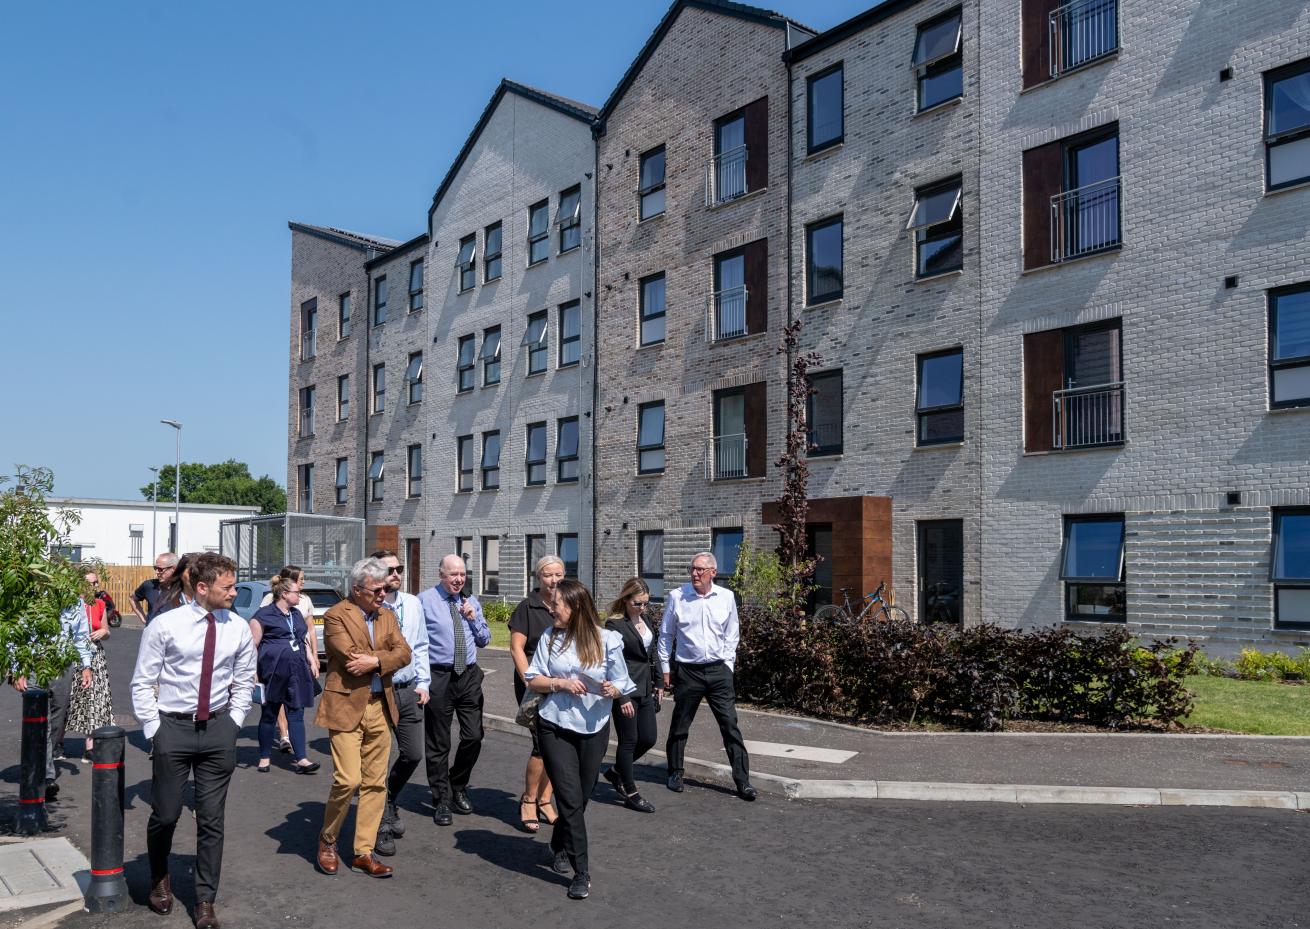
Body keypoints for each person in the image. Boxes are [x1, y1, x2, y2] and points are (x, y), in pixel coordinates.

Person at [131, 552, 255, 929]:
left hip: (218, 731)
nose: (235, 592)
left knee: (212, 819)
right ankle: (158, 877)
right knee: (166, 814)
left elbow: (245, 679)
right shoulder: (166, 625)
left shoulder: (237, 628)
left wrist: (233, 722)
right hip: (173, 729)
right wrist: (155, 729)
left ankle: (205, 901)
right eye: (228, 586)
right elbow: (142, 682)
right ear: (202, 588)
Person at [524, 579, 635, 900]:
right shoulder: (549, 637)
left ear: (574, 608)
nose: (551, 608)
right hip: (554, 726)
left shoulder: (607, 640)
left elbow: (621, 679)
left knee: (581, 798)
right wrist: (560, 683)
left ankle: (559, 843)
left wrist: (615, 690)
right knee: (570, 800)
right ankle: (581, 872)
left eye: (557, 604)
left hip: (594, 728)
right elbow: (533, 678)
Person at [315, 558, 411, 879]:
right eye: (377, 589)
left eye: (386, 588)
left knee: (375, 783)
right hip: (345, 706)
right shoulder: (334, 616)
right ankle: (328, 839)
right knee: (348, 779)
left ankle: (363, 852)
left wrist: (375, 660)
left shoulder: (387, 615)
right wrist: (382, 658)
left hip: (380, 706)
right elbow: (350, 657)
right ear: (357, 590)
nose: (384, 594)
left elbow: (405, 652)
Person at [657, 552, 756, 802]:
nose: (695, 574)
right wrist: (665, 669)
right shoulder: (677, 597)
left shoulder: (726, 597)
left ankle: (742, 781)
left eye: (700, 570)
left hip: (718, 671)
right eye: (692, 569)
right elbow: (666, 635)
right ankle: (675, 773)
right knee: (680, 725)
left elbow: (732, 633)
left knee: (730, 726)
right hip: (688, 671)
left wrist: (728, 665)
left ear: (713, 572)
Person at [416, 554, 490, 826]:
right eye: (453, 575)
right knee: (438, 742)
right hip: (439, 676)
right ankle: (441, 799)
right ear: (441, 575)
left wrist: (473, 618)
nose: (459, 579)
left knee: (473, 736)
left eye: (462, 574)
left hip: (468, 675)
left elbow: (484, 639)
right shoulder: (424, 601)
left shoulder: (470, 602)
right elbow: (414, 640)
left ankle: (458, 784)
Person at [10, 594, 95, 799]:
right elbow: (15, 634)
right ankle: (46, 776)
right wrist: (16, 668)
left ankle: (44, 765)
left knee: (58, 719)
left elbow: (81, 635)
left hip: (63, 665)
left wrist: (86, 666)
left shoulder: (76, 602)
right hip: (33, 664)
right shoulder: (30, 596)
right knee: (41, 722)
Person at [373, 549, 428, 856]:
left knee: (413, 754)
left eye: (399, 568)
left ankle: (390, 798)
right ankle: (380, 823)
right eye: (389, 569)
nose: (396, 573)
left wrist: (423, 682)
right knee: (377, 759)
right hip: (379, 690)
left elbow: (421, 645)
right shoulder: (369, 606)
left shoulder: (412, 603)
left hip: (408, 690)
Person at [508, 555, 565, 832]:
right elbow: (516, 648)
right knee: (541, 744)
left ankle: (545, 799)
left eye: (558, 575)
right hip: (534, 682)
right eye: (548, 575)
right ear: (538, 577)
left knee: (559, 743)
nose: (554, 580)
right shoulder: (527, 607)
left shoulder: (567, 602)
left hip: (562, 681)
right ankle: (529, 799)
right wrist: (529, 679)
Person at [248, 571, 320, 775]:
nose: (301, 596)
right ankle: (264, 757)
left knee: (296, 714)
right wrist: (252, 671)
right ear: (284, 594)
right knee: (269, 714)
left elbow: (302, 638)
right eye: (298, 592)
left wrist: (312, 659)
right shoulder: (263, 615)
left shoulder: (296, 614)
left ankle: (302, 758)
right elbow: (252, 645)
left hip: (296, 671)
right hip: (272, 672)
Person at [600, 578, 661, 813]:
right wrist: (622, 696)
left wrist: (658, 684)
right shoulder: (614, 625)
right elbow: (614, 662)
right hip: (624, 689)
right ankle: (631, 792)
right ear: (625, 600)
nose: (643, 608)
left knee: (649, 738)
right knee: (629, 740)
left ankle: (615, 772)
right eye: (638, 603)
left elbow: (651, 652)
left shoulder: (644, 618)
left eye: (646, 603)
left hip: (645, 686)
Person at [67, 569, 116, 763]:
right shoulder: (69, 604)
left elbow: (107, 630)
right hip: (73, 654)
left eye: (96, 583)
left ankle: (90, 747)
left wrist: (102, 632)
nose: (95, 587)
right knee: (68, 697)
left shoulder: (100, 603)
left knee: (94, 697)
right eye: (91, 583)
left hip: (95, 654)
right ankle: (57, 743)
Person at [132, 553, 178, 625]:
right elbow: (132, 598)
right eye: (155, 568)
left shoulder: (183, 588)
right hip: (152, 634)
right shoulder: (149, 585)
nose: (157, 572)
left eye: (160, 569)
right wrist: (144, 619)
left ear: (173, 569)